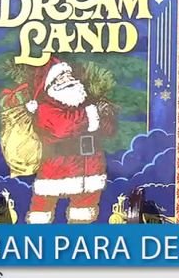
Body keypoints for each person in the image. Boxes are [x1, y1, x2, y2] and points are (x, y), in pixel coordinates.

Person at [24, 57, 116, 223]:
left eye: (69, 75)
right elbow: (62, 128)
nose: (68, 79)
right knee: (43, 208)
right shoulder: (45, 108)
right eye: (61, 77)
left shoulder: (86, 103)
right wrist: (92, 114)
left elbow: (108, 131)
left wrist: (106, 115)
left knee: (83, 214)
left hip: (90, 169)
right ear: (51, 85)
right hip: (57, 168)